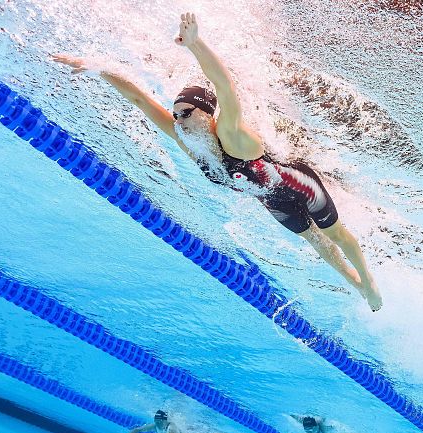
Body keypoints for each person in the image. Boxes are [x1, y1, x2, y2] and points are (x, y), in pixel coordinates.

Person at [52, 13, 383, 311]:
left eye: (186, 113)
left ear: (206, 115)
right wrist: (99, 68)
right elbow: (139, 98)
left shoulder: (230, 134)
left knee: (335, 235)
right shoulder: (191, 143)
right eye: (176, 114)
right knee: (316, 243)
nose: (178, 120)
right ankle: (355, 285)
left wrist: (196, 45)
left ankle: (367, 280)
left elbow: (225, 87)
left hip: (298, 185)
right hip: (270, 199)